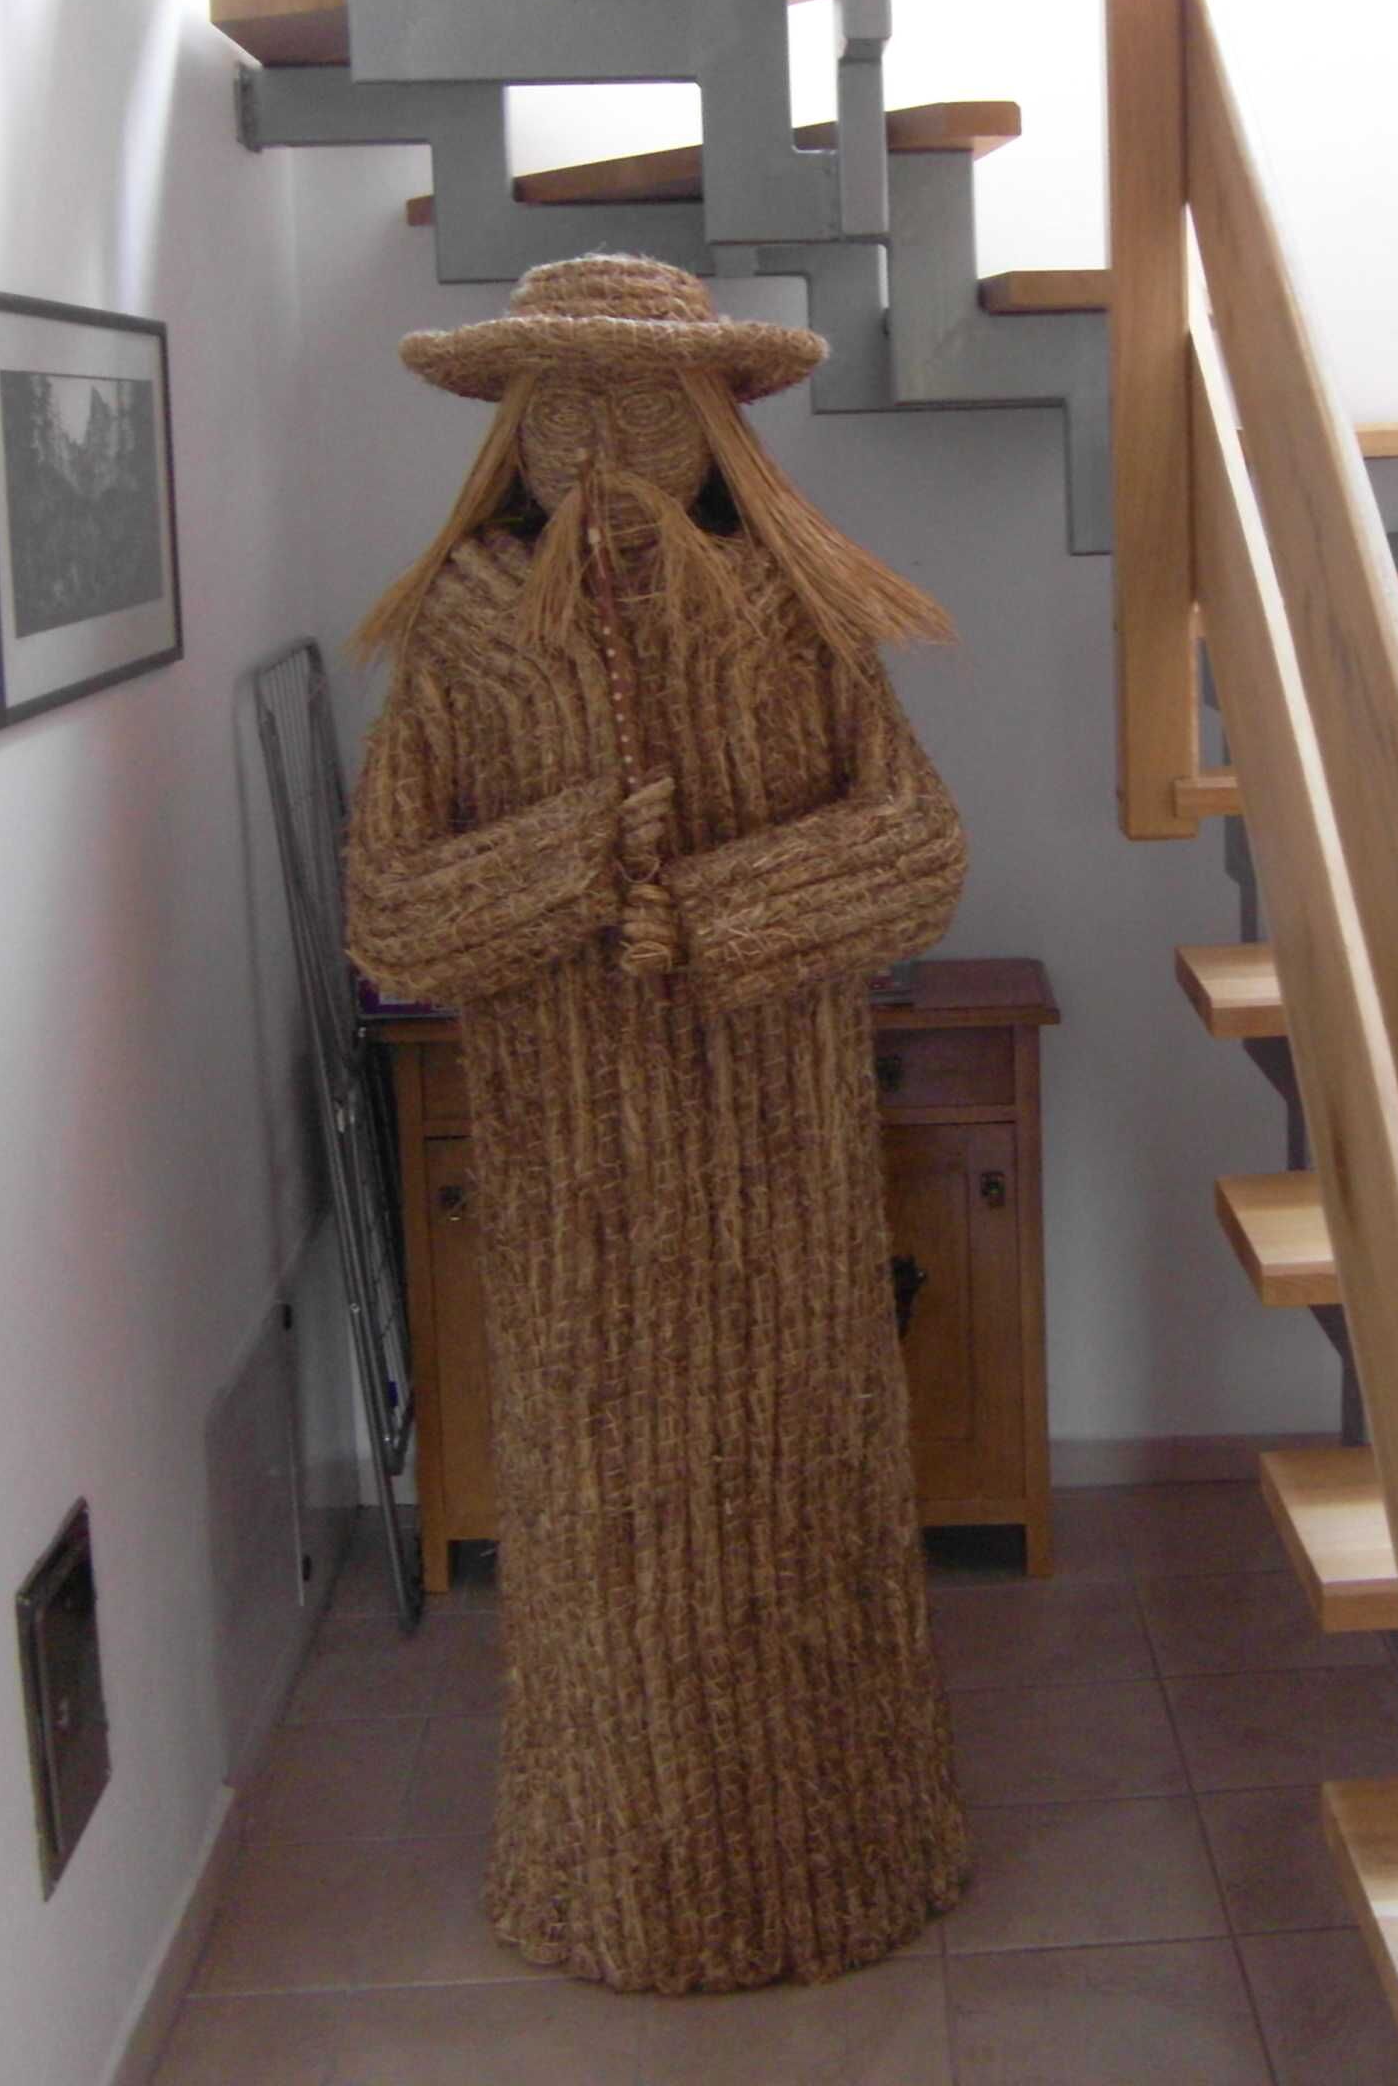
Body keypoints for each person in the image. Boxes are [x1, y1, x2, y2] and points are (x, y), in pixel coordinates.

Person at [345, 255, 967, 1992]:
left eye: (640, 406)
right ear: (513, 428)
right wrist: (572, 861)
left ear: (712, 424)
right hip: (574, 1180)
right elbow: (393, 917)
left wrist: (707, 910)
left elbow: (917, 848)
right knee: (612, 1544)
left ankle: (847, 1860)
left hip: (780, 1165)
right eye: (565, 409)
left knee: (799, 1507)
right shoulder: (461, 639)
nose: (603, 446)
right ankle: (611, 1877)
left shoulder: (799, 611)